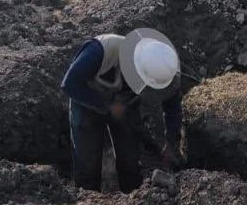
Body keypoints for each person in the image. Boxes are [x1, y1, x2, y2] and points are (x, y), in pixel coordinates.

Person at [60, 28, 183, 193]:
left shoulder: (166, 67)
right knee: (87, 167)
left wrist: (170, 142)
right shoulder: (100, 51)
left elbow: (172, 104)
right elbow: (69, 84)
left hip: (125, 105)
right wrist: (106, 106)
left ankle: (131, 202)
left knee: (130, 163)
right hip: (86, 101)